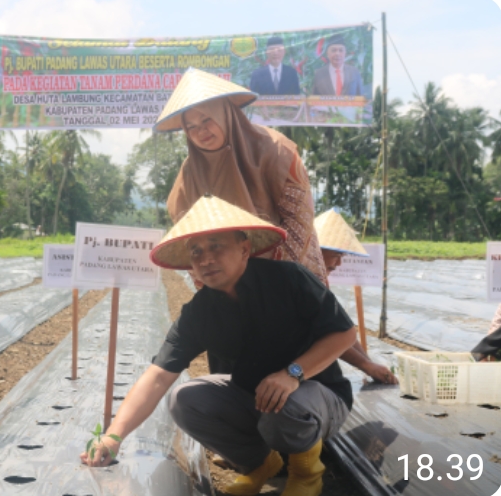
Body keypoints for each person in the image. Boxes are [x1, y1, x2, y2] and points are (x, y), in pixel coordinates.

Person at [82, 195, 356, 496]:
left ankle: (306, 473)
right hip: (256, 398)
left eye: (216, 246)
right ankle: (259, 465)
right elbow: (158, 375)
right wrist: (113, 436)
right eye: (196, 251)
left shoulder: (288, 279)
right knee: (185, 400)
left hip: (318, 397)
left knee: (285, 401)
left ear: (244, 249)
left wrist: (293, 374)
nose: (205, 259)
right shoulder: (200, 312)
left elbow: (344, 334)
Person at [157, 68, 327, 378]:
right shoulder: (188, 176)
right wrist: (224, 287)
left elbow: (298, 225)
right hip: (228, 287)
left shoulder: (275, 151)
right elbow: (189, 237)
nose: (201, 131)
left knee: (297, 369)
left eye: (207, 120)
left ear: (226, 114)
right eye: (191, 126)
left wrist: (268, 289)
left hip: (286, 279)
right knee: (235, 374)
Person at [314, 208, 398, 385]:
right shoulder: (302, 282)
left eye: (342, 256)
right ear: (314, 250)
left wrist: (370, 363)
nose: (339, 263)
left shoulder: (321, 280)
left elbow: (341, 326)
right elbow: (327, 334)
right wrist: (366, 365)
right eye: (336, 255)